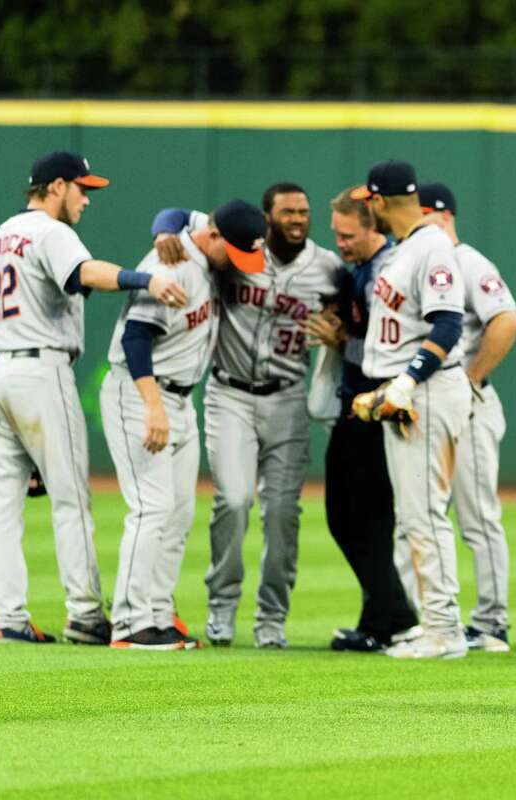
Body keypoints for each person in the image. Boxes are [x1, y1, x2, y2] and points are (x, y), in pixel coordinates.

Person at [0, 150, 186, 644]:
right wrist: (147, 279)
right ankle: (87, 615)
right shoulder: (50, 231)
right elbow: (84, 274)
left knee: (2, 507)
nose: (87, 198)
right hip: (40, 371)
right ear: (55, 187)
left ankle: (8, 617)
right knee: (71, 498)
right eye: (81, 187)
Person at [150, 183, 344, 648]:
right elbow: (177, 210)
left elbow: (350, 315)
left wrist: (341, 331)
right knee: (233, 500)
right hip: (230, 394)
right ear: (266, 217)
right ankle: (221, 608)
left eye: (304, 211)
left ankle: (272, 619)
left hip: (288, 398)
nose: (298, 219)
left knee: (282, 515)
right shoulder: (238, 248)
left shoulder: (329, 269)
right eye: (288, 212)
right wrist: (163, 231)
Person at [101, 199, 266, 650]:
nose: (238, 263)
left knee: (178, 513)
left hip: (180, 399)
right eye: (233, 252)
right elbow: (136, 337)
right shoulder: (170, 264)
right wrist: (152, 406)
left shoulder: (196, 237)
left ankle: (157, 612)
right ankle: (130, 622)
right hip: (141, 393)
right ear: (214, 237)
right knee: (151, 508)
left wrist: (164, 225)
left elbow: (177, 213)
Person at [349, 160, 472, 660]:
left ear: (379, 201)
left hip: (427, 390)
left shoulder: (432, 246)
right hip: (408, 392)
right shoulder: (409, 248)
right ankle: (436, 625)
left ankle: (444, 630)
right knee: (414, 515)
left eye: (368, 202)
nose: (367, 209)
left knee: (423, 514)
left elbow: (447, 325)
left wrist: (404, 382)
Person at [305, 188, 420, 652]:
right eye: (336, 234)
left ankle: (397, 614)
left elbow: (383, 351)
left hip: (376, 405)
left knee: (355, 519)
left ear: (374, 226)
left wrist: (340, 341)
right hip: (359, 402)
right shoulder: (363, 271)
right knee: (361, 519)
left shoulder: (383, 274)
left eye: (348, 234)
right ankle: (378, 621)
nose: (340, 242)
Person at [417, 182, 516, 653]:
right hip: (431, 402)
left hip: (470, 402)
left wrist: (473, 377)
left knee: (477, 514)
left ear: (441, 215)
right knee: (425, 513)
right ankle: (435, 619)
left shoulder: (468, 262)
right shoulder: (422, 260)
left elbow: (507, 320)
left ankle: (492, 622)